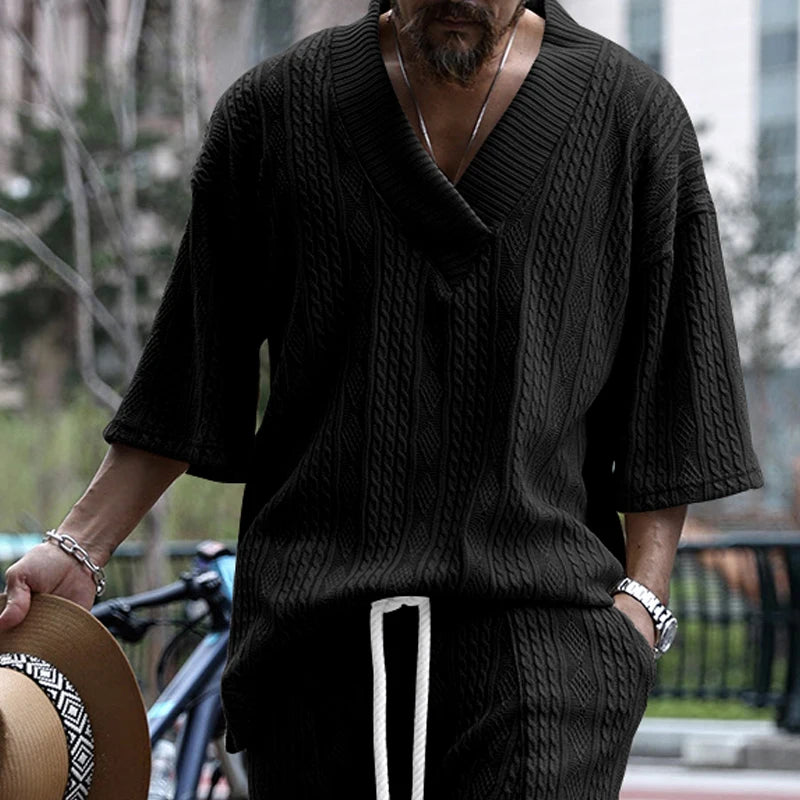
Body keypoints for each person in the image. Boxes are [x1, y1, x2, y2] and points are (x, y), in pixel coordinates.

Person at [0, 0, 764, 798]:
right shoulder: (273, 112)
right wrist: (78, 547)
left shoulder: (632, 118)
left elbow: (670, 391)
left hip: (547, 657)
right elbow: (189, 370)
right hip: (313, 657)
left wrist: (641, 607)